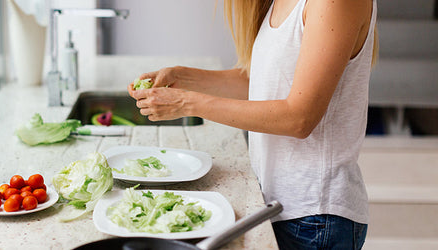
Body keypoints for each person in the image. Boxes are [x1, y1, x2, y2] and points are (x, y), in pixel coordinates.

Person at [127, 0, 377, 249]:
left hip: (315, 216)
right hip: (276, 206)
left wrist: (187, 103)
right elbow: (260, 82)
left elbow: (299, 118)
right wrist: (181, 77)